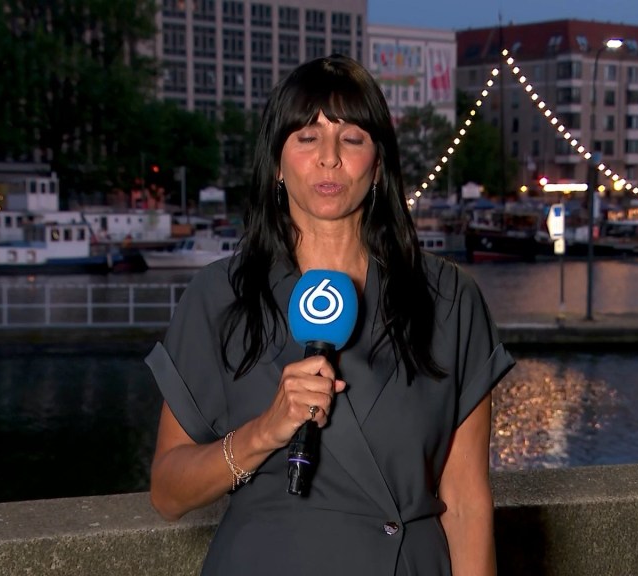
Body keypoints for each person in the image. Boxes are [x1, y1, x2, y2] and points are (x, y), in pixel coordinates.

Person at [146, 54, 515, 576]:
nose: (329, 158)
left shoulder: (451, 299)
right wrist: (264, 432)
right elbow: (167, 494)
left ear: (379, 164)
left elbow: (467, 501)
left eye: (352, 138)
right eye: (307, 137)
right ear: (277, 162)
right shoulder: (219, 296)